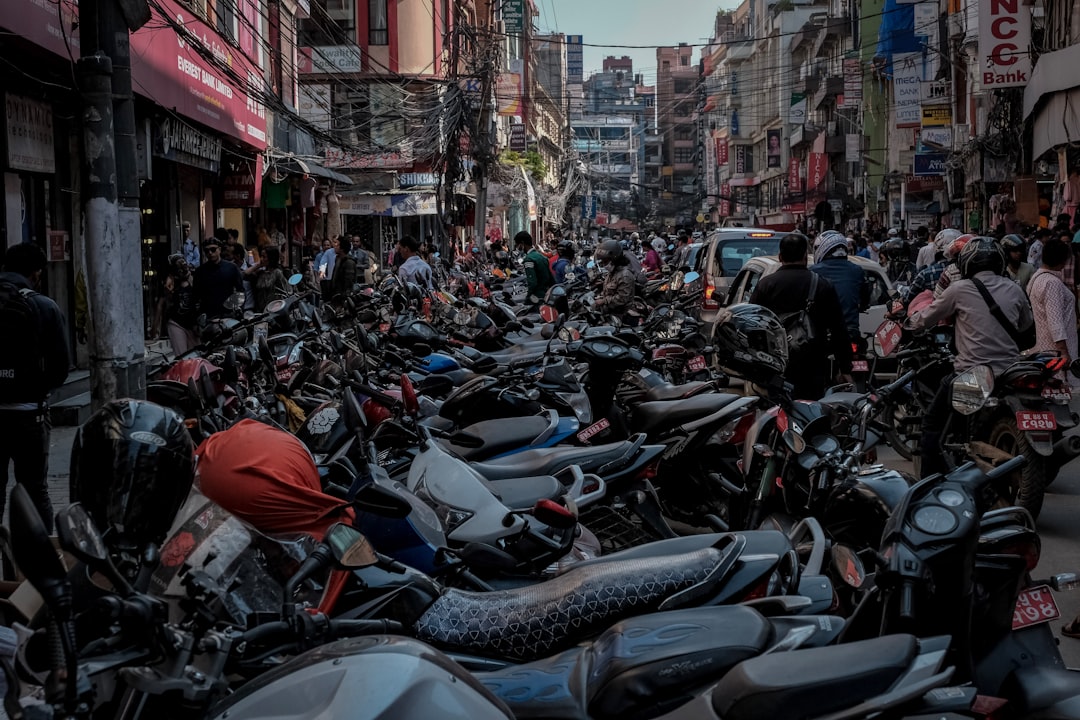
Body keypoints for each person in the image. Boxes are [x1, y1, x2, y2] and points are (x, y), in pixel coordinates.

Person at [908, 238, 1033, 480]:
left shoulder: (959, 289)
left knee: (932, 423)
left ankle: (929, 484)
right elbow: (1026, 325)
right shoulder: (1014, 288)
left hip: (974, 377)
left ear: (967, 263)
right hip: (1009, 373)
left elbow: (926, 318)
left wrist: (909, 322)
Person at [0, 243, 70, 532]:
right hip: (29, 414)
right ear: (36, 272)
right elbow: (61, 368)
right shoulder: (44, 306)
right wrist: (37, 388)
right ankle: (38, 554)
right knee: (34, 490)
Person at [750, 234, 853, 399]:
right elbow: (838, 329)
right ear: (806, 257)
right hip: (813, 366)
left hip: (776, 365)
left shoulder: (766, 285)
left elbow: (754, 325)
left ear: (780, 257)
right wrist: (845, 367)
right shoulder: (822, 285)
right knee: (811, 410)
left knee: (776, 409)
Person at [809, 230, 868, 350]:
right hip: (850, 331)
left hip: (821, 333)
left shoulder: (812, 271)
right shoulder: (857, 270)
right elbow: (865, 298)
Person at [1028, 239, 1076, 369]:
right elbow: (1055, 322)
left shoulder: (1037, 277)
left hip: (1045, 347)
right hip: (1056, 352)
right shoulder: (1052, 283)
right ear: (1062, 261)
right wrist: (1063, 352)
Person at [192, 230, 244, 319]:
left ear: (219, 249)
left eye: (213, 249)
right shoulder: (200, 272)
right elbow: (195, 296)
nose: (210, 253)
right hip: (208, 316)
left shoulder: (231, 268)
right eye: (207, 250)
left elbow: (240, 291)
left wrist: (238, 309)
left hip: (228, 315)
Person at [163, 254, 199, 355]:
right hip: (176, 322)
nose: (182, 269)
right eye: (178, 267)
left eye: (183, 265)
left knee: (196, 356)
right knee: (181, 356)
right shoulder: (171, 283)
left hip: (193, 324)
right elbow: (164, 303)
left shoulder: (194, 279)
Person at [593, 239, 637, 319]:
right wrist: (601, 296)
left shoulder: (625, 275)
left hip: (621, 315)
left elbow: (622, 298)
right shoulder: (612, 272)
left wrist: (604, 301)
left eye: (606, 261)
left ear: (614, 259)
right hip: (611, 311)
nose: (604, 264)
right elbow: (609, 291)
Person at [247, 246, 291, 312]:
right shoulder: (260, 273)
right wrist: (257, 266)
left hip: (273, 309)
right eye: (261, 256)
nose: (261, 259)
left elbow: (287, 291)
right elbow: (245, 274)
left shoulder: (277, 273)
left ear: (271, 258)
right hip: (260, 310)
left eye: (264, 257)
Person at [516, 230, 554, 300]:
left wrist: (528, 297)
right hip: (546, 295)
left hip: (537, 296)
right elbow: (551, 278)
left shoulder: (529, 259)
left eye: (517, 245)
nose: (517, 248)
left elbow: (532, 282)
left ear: (522, 243)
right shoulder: (542, 256)